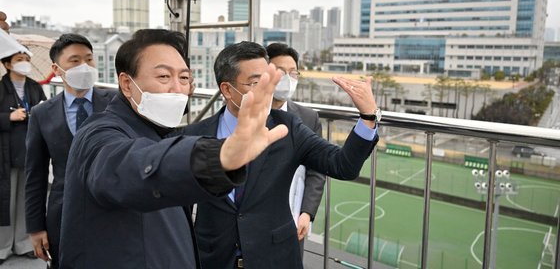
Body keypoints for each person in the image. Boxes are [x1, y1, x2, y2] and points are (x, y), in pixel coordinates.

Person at [58, 29, 288, 269]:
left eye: (184, 78)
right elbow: (127, 165)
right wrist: (217, 156)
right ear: (127, 84)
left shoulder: (158, 131)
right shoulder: (98, 133)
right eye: (164, 77)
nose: (178, 89)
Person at [181, 41, 380, 269]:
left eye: (269, 81)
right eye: (257, 83)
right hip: (213, 259)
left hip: (276, 257)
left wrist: (367, 117)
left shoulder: (289, 127)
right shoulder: (194, 135)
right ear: (227, 89)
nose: (268, 90)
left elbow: (342, 165)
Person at [25, 33, 115, 268]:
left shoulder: (117, 103)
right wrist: (35, 227)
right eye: (75, 61)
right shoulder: (42, 114)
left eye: (89, 59)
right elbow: (35, 176)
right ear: (56, 69)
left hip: (114, 209)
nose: (84, 67)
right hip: (63, 212)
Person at [266, 42, 325, 258]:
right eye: (281, 72)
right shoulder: (246, 114)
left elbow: (317, 170)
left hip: (292, 218)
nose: (288, 79)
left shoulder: (308, 118)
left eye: (293, 73)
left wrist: (307, 213)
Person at [0, 50, 46, 264]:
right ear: (7, 64)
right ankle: (3, 247)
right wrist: (8, 117)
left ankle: (24, 244)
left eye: (27, 59)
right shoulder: (0, 87)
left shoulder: (34, 87)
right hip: (6, 153)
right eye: (19, 60)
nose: (25, 63)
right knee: (5, 202)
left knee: (26, 200)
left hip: (29, 150)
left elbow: (46, 110)